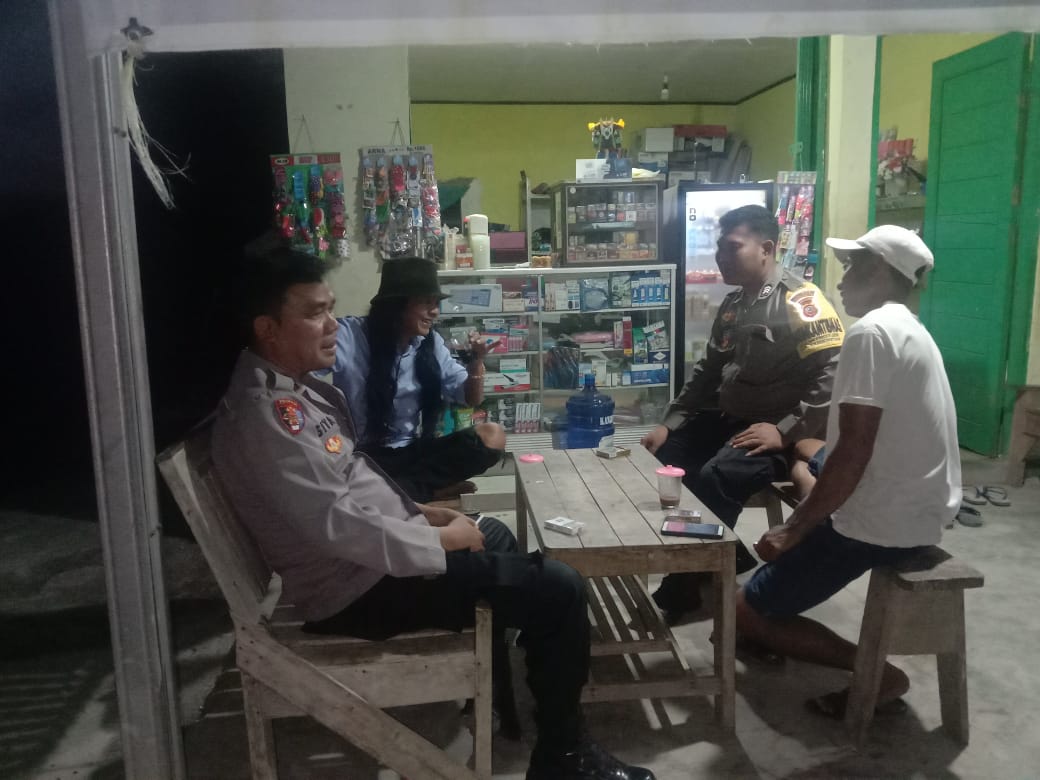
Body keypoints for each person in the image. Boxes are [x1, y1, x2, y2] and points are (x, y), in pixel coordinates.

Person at [211, 236, 655, 780]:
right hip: (357, 590)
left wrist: (423, 513)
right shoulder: (271, 415)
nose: (330, 325)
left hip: (369, 564)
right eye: (314, 313)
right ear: (267, 328)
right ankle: (564, 757)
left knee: (495, 536)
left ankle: (499, 692)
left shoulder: (292, 392)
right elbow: (336, 523)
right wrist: (436, 540)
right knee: (560, 587)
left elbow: (348, 490)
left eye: (330, 309)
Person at [736, 225, 960, 718]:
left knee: (743, 611)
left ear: (879, 269)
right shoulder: (909, 328)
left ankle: (877, 673)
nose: (840, 279)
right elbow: (850, 444)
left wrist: (795, 529)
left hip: (878, 521)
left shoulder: (871, 334)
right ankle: (811, 488)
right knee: (806, 447)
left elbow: (855, 450)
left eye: (852, 266)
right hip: (923, 504)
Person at [641, 205, 845, 621]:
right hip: (732, 419)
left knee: (717, 475)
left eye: (732, 247)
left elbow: (835, 369)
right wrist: (669, 423)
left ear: (766, 249)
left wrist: (785, 431)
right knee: (665, 458)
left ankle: (685, 584)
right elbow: (708, 370)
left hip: (778, 431)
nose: (721, 256)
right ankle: (728, 554)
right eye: (719, 247)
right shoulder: (735, 303)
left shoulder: (800, 299)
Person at [331, 256, 505, 502]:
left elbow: (471, 399)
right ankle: (422, 490)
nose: (434, 312)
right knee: (345, 475)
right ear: (397, 305)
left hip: (412, 451)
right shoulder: (350, 336)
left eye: (436, 303)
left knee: (493, 436)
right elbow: (302, 369)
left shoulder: (430, 344)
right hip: (363, 456)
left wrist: (477, 361)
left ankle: (405, 491)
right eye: (425, 303)